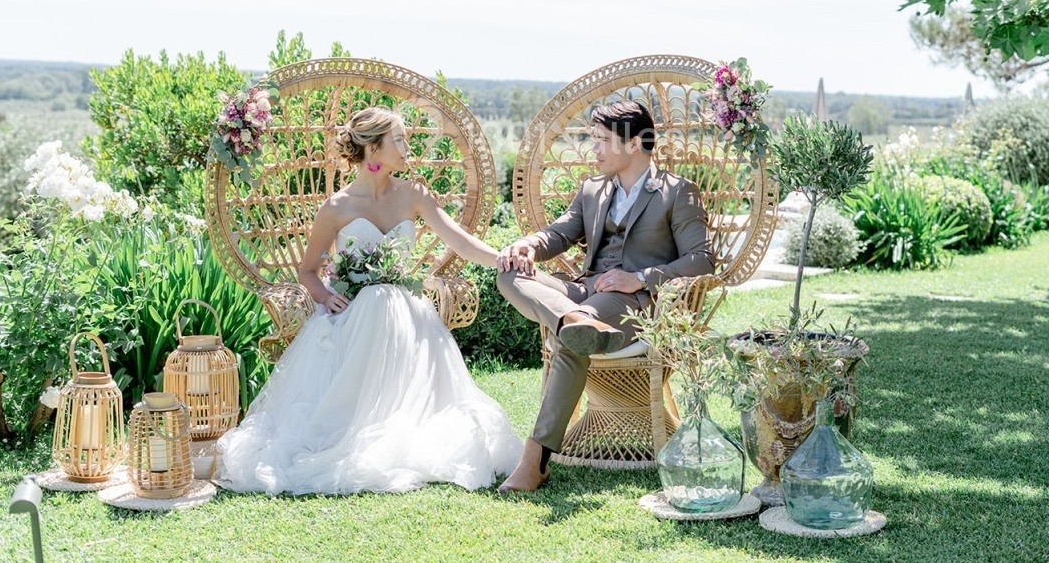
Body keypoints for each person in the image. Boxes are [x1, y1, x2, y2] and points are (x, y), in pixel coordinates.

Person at [216, 106, 522, 496]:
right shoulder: (337, 208)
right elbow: (307, 271)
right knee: (375, 300)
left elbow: (457, 240)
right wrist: (326, 297)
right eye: (399, 139)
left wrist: (501, 258)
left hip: (409, 321)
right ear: (374, 149)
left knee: (386, 298)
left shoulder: (414, 194)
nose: (407, 146)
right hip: (352, 319)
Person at [494, 101, 714, 493]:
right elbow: (560, 234)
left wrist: (640, 278)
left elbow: (702, 261)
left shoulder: (677, 191)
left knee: (572, 336)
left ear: (634, 145)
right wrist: (527, 244)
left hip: (634, 305)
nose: (593, 149)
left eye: (601, 140)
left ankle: (536, 458)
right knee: (510, 272)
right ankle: (572, 319)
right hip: (582, 292)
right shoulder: (593, 189)